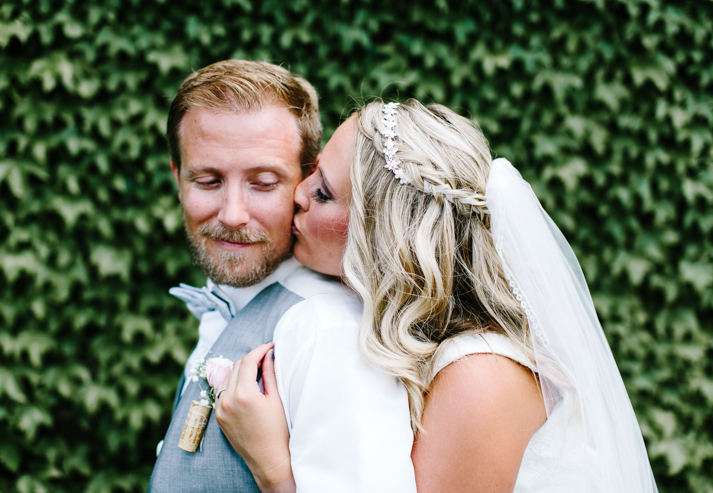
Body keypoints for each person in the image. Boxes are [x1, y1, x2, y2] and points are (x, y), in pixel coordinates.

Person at [216, 100, 658, 492]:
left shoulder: (480, 378)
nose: (298, 193)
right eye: (313, 172)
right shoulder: (430, 347)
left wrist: (274, 470)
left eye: (325, 192)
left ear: (383, 237)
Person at [148, 61, 416, 493]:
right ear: (179, 177)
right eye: (209, 180)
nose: (233, 214)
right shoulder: (235, 305)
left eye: (263, 183)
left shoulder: (325, 331)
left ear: (308, 177)